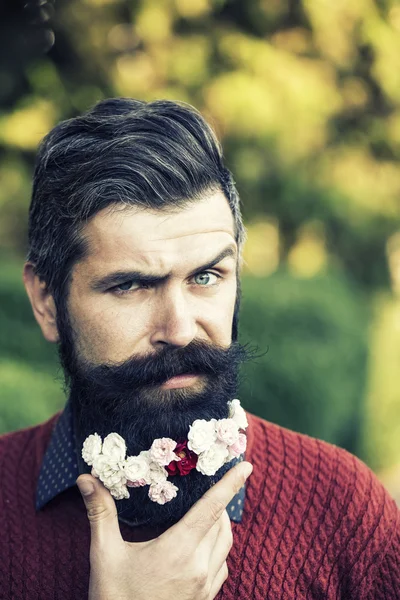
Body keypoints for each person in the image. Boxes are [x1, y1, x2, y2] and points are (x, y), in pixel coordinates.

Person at [0, 98, 398, 600]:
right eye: (129, 286)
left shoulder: (345, 512)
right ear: (45, 301)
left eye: (206, 276)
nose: (182, 329)